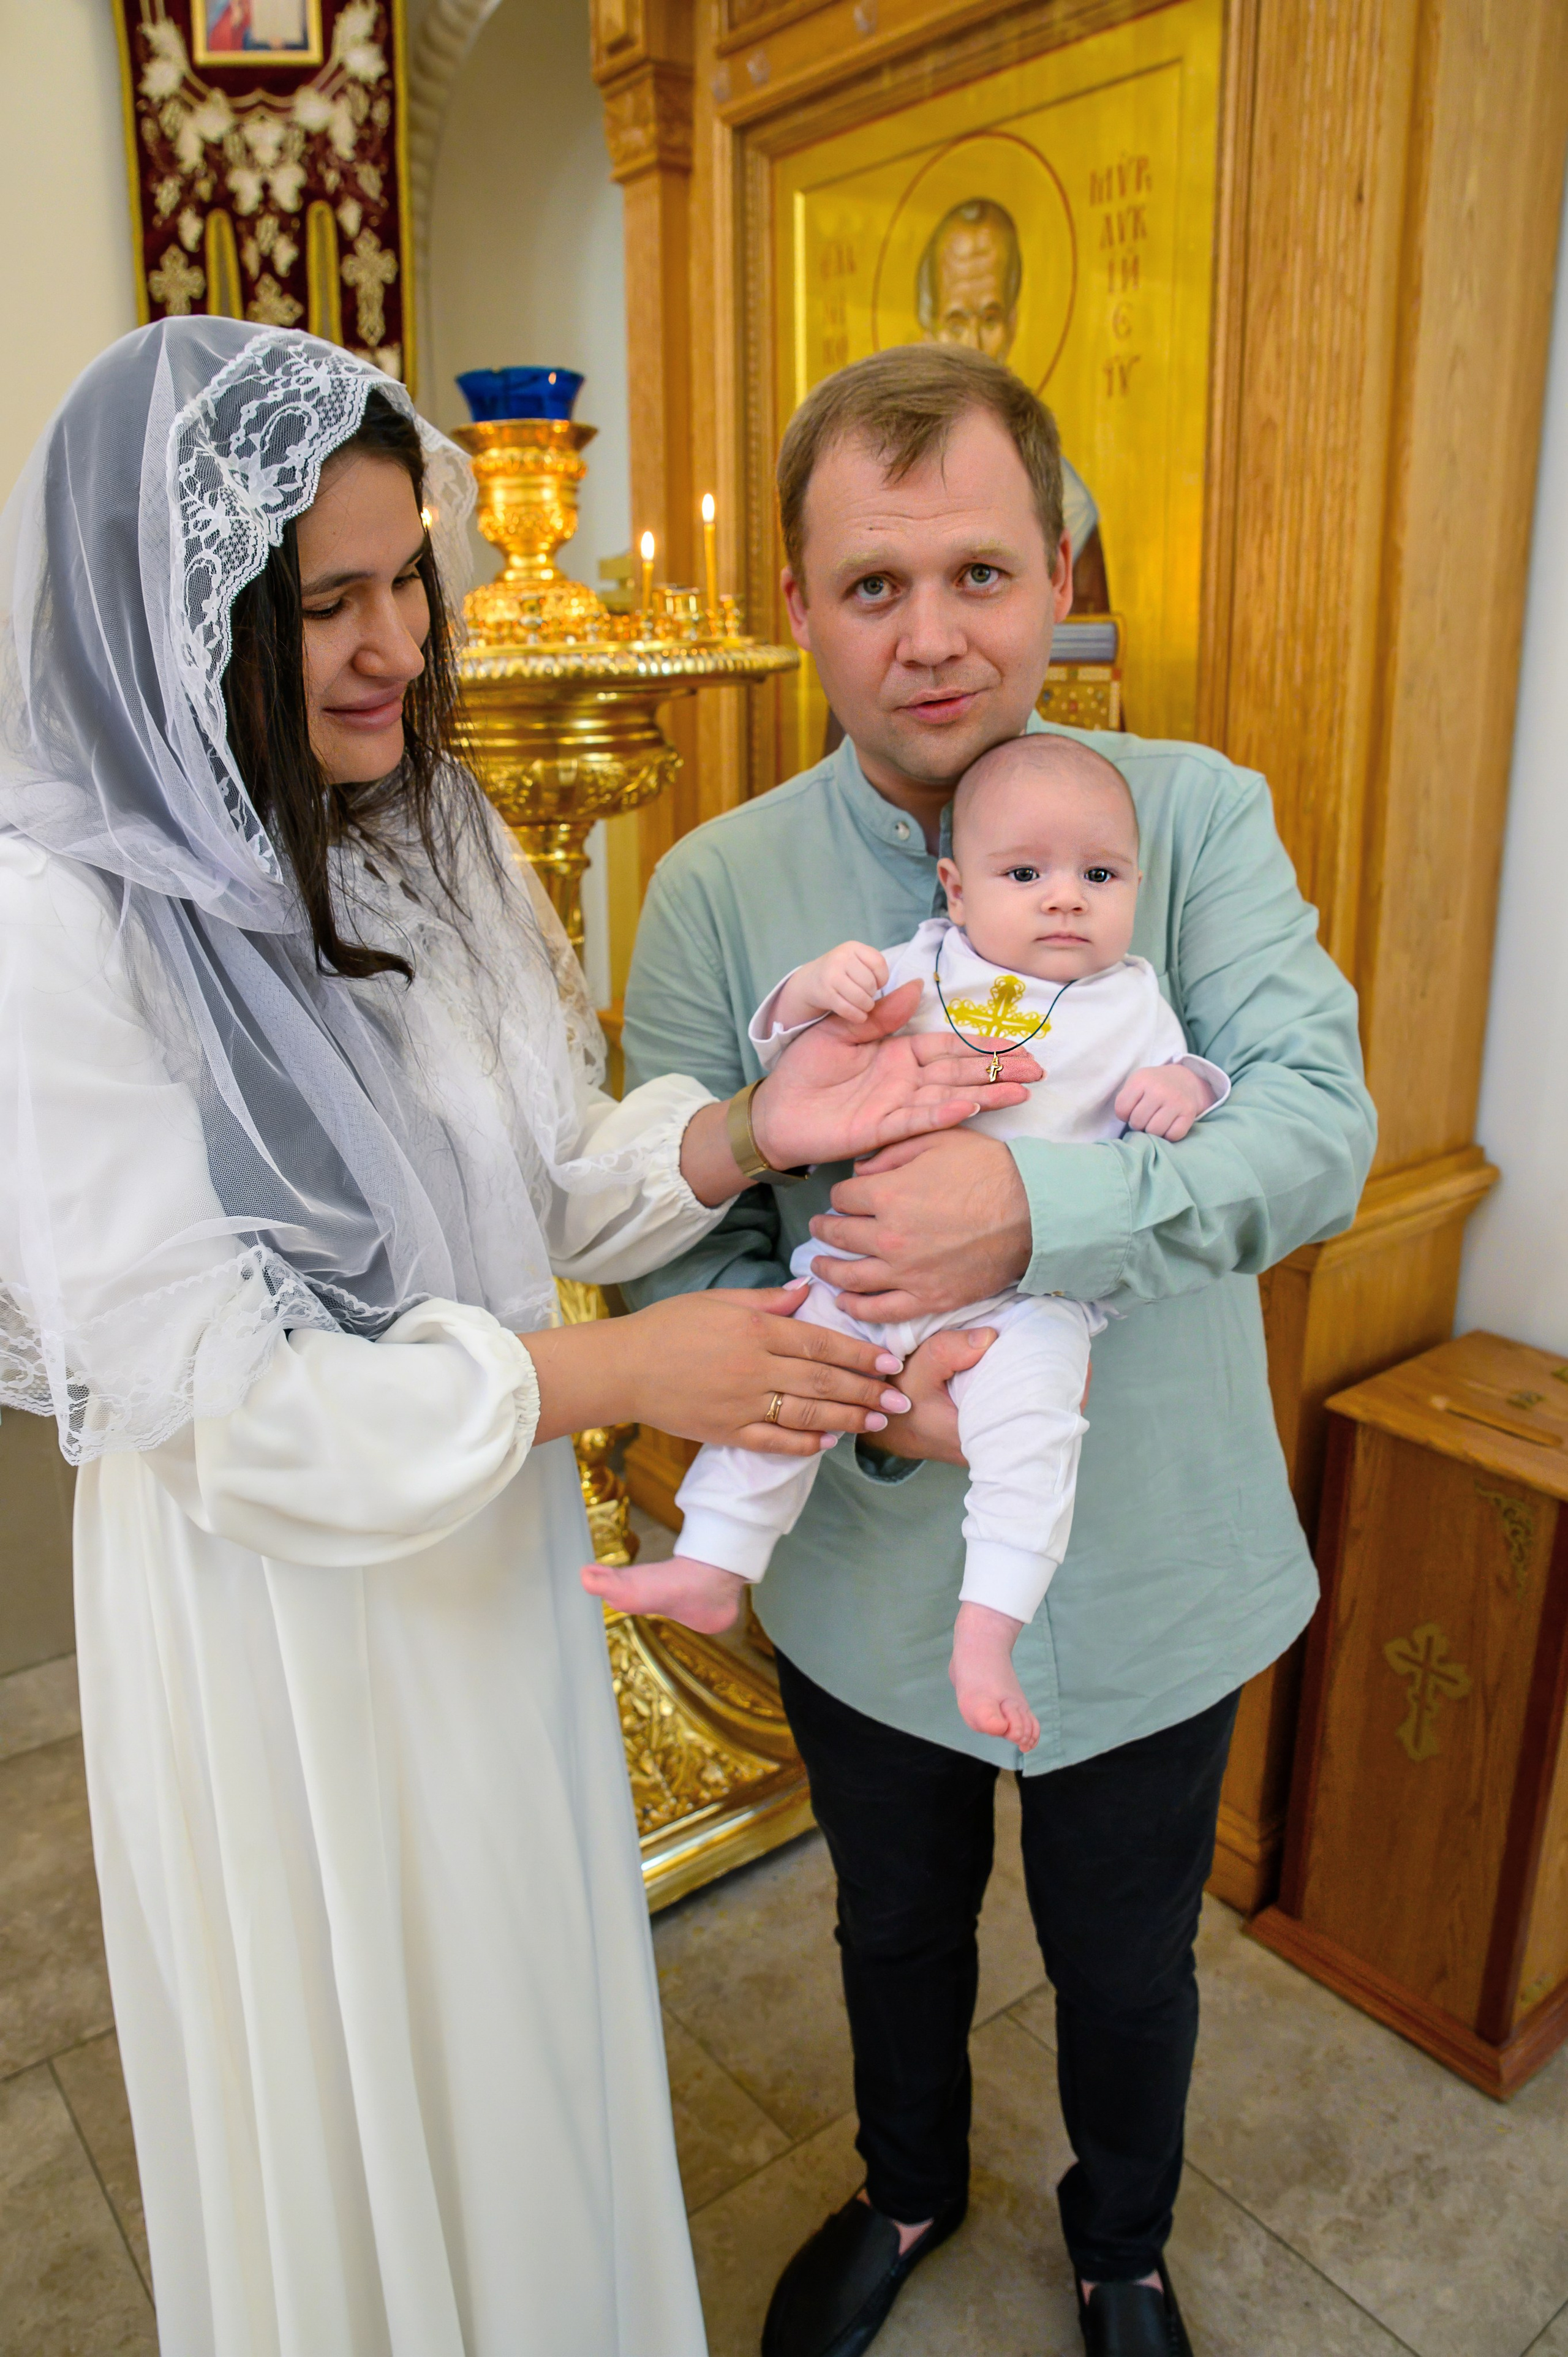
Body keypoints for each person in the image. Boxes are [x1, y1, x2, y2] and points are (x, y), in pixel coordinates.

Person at [0, 320, 1046, 2355]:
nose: (398, 639)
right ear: (183, 620)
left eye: (412, 577)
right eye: (328, 600)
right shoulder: (58, 925)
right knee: (360, 2065)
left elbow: (538, 1172)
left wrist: (760, 1124)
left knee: (516, 2022)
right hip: (277, 1618)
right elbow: (218, 1408)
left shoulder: (430, 825)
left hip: (477, 1547)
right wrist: (624, 1375)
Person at [619, 344, 1376, 2357]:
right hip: (871, 1565)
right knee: (891, 1922)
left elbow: (1315, 1129)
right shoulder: (721, 890)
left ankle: (1122, 2242)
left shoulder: (1193, 822)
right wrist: (886, 1393)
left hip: (1147, 1552)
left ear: (1060, 568)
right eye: (874, 585)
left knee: (1130, 1959)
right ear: (794, 603)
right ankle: (905, 2177)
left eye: (979, 570)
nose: (933, 635)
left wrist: (1034, 1214)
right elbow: (677, 1256)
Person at [588, 734, 1229, 1752]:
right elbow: (786, 1043)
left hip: (1036, 1298)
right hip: (870, 1265)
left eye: (1098, 876)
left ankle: (989, 1627)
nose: (1065, 898)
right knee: (789, 1372)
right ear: (956, 888)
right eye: (1025, 873)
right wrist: (815, 989)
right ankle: (713, 1561)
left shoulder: (1132, 1001)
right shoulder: (922, 962)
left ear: (1134, 887)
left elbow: (1199, 1077)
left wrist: (1186, 1085)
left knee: (1035, 1429)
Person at [916, 197, 1109, 613]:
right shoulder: (886, 479)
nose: (974, 345)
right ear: (929, 329)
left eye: (989, 320)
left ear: (1014, 323)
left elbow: (1088, 640)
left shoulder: (1069, 506)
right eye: (955, 323)